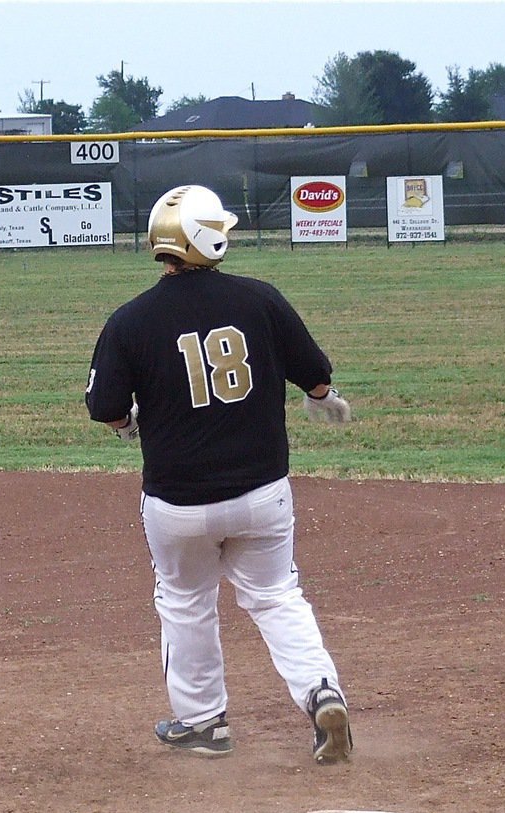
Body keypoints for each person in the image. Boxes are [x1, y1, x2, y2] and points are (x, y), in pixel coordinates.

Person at [84, 184, 354, 762]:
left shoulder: (130, 320)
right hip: (262, 493)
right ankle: (322, 693)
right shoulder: (259, 299)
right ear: (209, 241)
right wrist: (321, 395)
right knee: (278, 596)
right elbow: (315, 374)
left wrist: (129, 424)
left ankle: (204, 723)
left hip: (177, 503)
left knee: (185, 601)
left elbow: (105, 407)